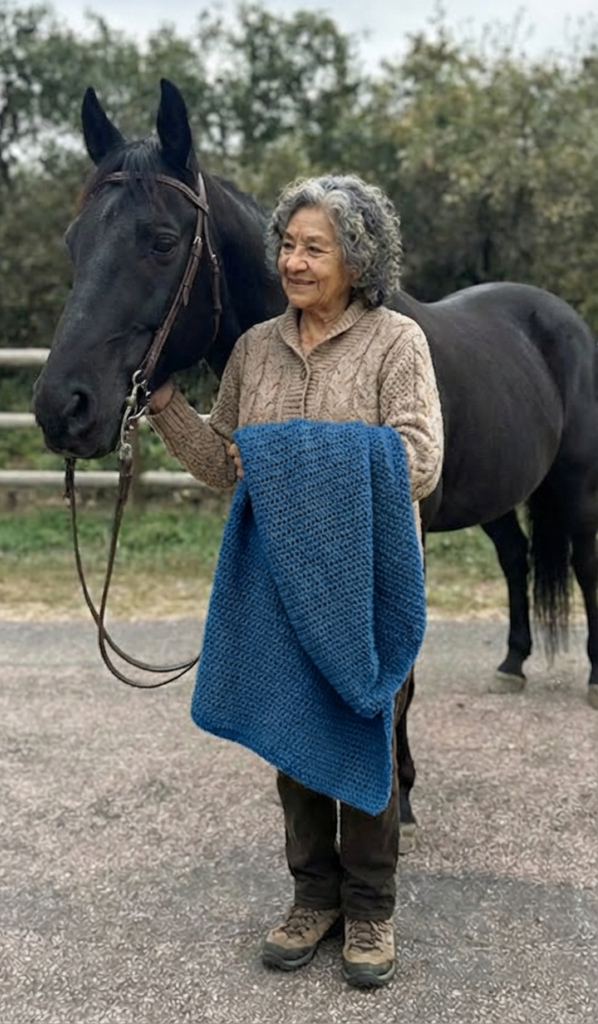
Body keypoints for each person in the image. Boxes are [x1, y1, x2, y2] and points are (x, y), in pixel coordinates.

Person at [147, 174, 444, 987]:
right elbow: (225, 462)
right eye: (288, 244)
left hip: (373, 582)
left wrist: (287, 455)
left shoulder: (396, 343)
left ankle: (371, 909)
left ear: (359, 260)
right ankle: (313, 896)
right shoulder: (254, 349)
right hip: (281, 582)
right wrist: (167, 405)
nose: (295, 261)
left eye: (316, 248)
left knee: (368, 731)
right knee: (294, 734)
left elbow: (419, 461)